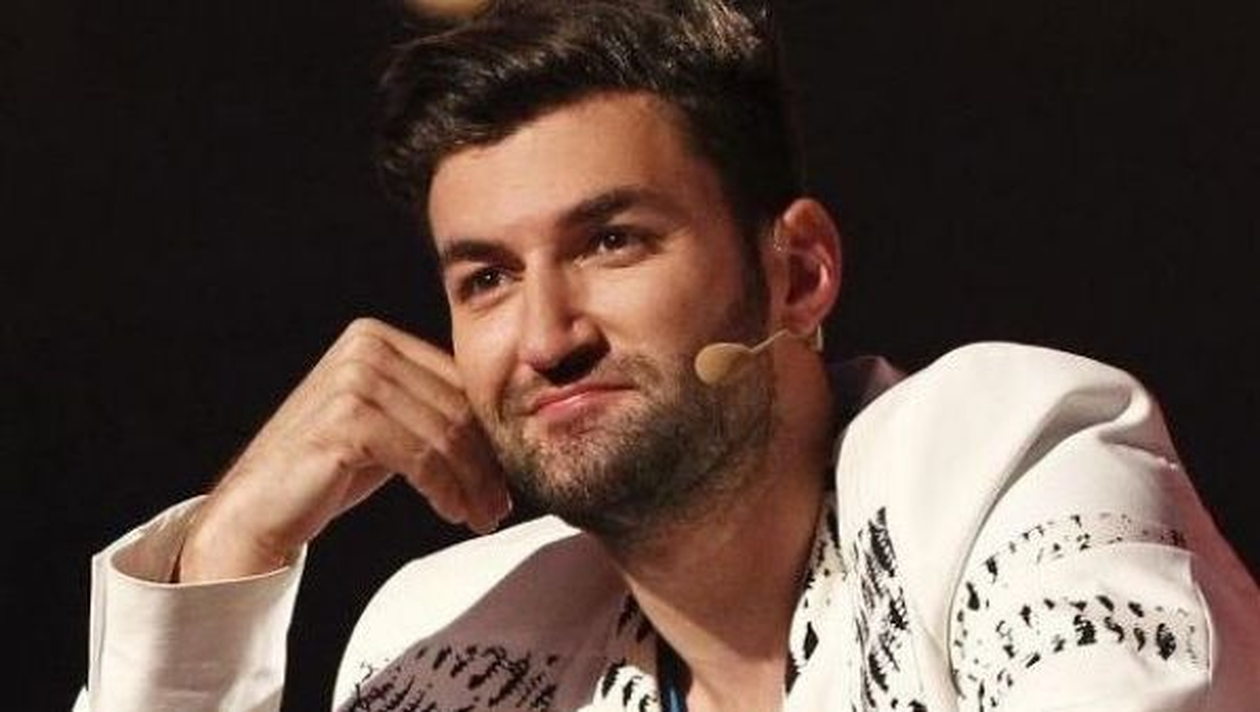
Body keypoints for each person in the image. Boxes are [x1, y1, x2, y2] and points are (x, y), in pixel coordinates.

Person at [74, 1, 1260, 710]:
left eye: (613, 241)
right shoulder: (453, 639)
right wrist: (229, 556)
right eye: (486, 279)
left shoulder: (1008, 454)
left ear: (799, 272)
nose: (548, 338)